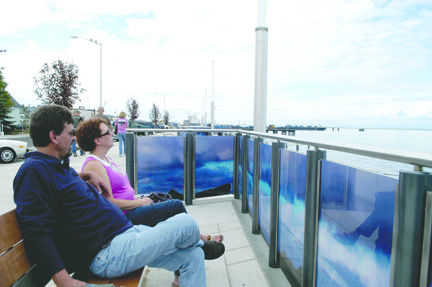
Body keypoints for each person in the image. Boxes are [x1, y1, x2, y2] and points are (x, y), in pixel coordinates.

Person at [13, 105, 224, 287]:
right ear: (53, 137)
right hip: (106, 254)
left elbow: (58, 187)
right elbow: (36, 232)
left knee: (192, 256)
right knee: (185, 224)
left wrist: (83, 175)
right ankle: (201, 242)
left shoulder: (57, 167)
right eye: (70, 133)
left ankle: (197, 245)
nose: (74, 138)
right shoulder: (33, 172)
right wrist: (64, 281)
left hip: (125, 236)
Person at [76, 117, 224, 286]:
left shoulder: (107, 160)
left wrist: (139, 199)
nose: (113, 133)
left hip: (128, 215)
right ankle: (199, 240)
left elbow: (121, 192)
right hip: (124, 217)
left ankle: (193, 247)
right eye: (108, 131)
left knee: (171, 211)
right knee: (175, 208)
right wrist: (139, 203)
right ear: (98, 140)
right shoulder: (93, 165)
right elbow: (108, 202)